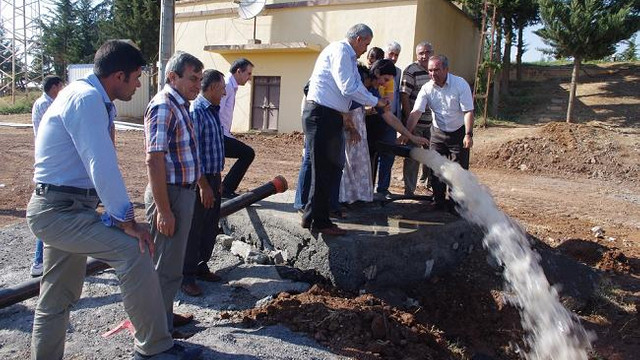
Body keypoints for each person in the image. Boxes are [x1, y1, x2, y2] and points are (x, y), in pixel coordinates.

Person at [26, 40, 200, 360]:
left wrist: (113, 215)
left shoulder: (91, 98)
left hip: (66, 207)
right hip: (60, 210)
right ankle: (154, 348)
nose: (138, 85)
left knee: (56, 297)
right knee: (135, 251)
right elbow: (101, 164)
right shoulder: (86, 99)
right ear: (118, 76)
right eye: (136, 78)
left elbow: (96, 167)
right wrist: (125, 220)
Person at [302, 23, 388, 236]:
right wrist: (375, 101)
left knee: (327, 168)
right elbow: (348, 87)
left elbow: (351, 88)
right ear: (358, 39)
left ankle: (311, 216)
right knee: (323, 170)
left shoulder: (347, 55)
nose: (366, 49)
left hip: (329, 116)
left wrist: (371, 100)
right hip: (322, 115)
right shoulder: (340, 51)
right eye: (366, 44)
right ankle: (320, 222)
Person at [144, 51, 204, 340]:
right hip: (170, 195)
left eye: (200, 79)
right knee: (163, 268)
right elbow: (154, 160)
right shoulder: (164, 106)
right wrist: (164, 210)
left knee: (171, 266)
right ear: (172, 77)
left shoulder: (181, 106)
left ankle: (163, 317)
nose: (198, 85)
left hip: (182, 194)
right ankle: (157, 335)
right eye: (193, 78)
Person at [404, 55, 475, 212]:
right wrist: (406, 133)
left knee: (459, 170)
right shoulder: (427, 88)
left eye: (436, 70)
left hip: (458, 132)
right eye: (430, 70)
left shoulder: (460, 84)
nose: (432, 74)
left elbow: (468, 111)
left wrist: (468, 134)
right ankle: (438, 200)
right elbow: (416, 112)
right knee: (436, 167)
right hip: (437, 132)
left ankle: (458, 203)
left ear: (446, 69)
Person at [181, 69, 226, 297]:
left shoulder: (212, 111)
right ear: (211, 88)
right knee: (195, 227)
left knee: (210, 225)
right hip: (201, 179)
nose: (225, 92)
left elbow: (214, 148)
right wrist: (203, 185)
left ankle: (201, 266)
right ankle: (186, 276)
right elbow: (193, 150)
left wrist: (217, 179)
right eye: (222, 87)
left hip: (213, 177)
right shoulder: (197, 111)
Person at [29, 74, 63, 277]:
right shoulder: (46, 105)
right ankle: (39, 261)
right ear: (54, 87)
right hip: (53, 167)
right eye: (61, 85)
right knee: (50, 213)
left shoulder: (47, 103)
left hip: (52, 165)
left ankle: (44, 261)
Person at [401, 41, 434, 196]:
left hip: (432, 123)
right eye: (421, 53)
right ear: (416, 54)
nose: (424, 56)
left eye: (427, 52)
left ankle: (429, 185)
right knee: (413, 156)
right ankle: (409, 190)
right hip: (416, 123)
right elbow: (404, 96)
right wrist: (410, 122)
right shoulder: (411, 71)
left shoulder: (434, 70)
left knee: (432, 156)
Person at [219, 58, 255, 199]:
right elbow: (217, 111)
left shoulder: (230, 86)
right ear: (238, 71)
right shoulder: (227, 85)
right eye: (248, 73)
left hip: (223, 133)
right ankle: (226, 189)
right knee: (248, 154)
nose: (250, 78)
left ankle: (224, 188)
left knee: (246, 153)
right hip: (218, 134)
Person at [372, 41, 402, 198]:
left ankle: (383, 188)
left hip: (389, 116)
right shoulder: (371, 73)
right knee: (371, 154)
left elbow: (392, 99)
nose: (394, 57)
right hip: (372, 119)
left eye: (396, 55)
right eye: (391, 54)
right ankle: (367, 188)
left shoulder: (397, 72)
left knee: (388, 154)